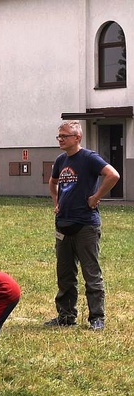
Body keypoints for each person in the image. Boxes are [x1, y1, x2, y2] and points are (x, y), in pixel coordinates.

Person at [46, 120, 120, 331]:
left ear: (77, 138)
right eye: (59, 136)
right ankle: (66, 316)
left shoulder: (89, 158)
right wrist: (56, 202)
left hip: (86, 225)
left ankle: (97, 318)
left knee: (91, 273)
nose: (60, 139)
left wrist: (96, 196)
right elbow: (53, 182)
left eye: (64, 136)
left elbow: (113, 175)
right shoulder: (61, 160)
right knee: (65, 274)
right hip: (63, 224)